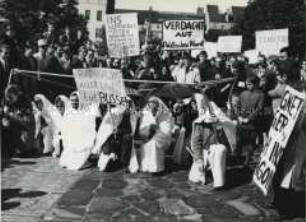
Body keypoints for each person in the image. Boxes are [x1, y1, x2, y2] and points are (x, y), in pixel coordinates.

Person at [189, 93, 230, 189]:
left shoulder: (219, 123)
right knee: (196, 178)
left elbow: (226, 139)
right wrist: (199, 160)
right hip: (203, 150)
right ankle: (203, 169)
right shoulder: (199, 124)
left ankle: (219, 182)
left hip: (215, 148)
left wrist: (220, 130)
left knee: (220, 149)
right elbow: (196, 143)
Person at [59, 92, 99, 170]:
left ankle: (84, 160)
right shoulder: (70, 112)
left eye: (76, 100)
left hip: (83, 137)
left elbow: (90, 125)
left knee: (79, 160)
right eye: (72, 100)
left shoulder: (85, 111)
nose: (74, 102)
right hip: (73, 138)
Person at [136, 97, 174, 173]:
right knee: (146, 149)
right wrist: (149, 127)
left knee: (155, 150)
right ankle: (146, 167)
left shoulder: (163, 113)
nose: (152, 104)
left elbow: (166, 124)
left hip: (158, 135)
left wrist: (158, 125)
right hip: (147, 134)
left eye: (154, 103)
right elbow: (143, 123)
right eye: (151, 103)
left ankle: (156, 168)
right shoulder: (145, 113)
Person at [235, 75, 265, 165]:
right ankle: (237, 158)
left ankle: (247, 161)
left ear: (256, 84)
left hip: (252, 125)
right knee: (239, 142)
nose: (248, 86)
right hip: (241, 123)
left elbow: (259, 109)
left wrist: (248, 119)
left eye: (250, 84)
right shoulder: (243, 93)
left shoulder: (261, 95)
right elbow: (237, 106)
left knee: (251, 144)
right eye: (247, 84)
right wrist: (238, 116)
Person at [1, 85, 36, 157]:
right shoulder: (8, 101)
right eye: (8, 99)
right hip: (16, 127)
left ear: (16, 94)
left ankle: (24, 148)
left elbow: (27, 121)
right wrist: (4, 118)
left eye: (11, 98)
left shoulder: (25, 100)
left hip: (27, 129)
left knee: (25, 150)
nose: (9, 100)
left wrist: (11, 115)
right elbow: (4, 113)